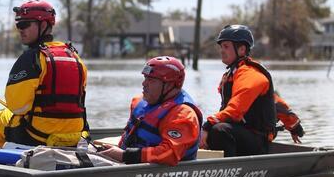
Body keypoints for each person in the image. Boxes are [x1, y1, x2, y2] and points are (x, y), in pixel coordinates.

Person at [0, 0, 88, 148]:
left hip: (37, 135)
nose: (20, 29)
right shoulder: (75, 57)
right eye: (18, 25)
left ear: (43, 25)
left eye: (25, 24)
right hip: (75, 134)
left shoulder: (32, 58)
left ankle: (1, 155)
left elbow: (17, 107)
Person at [99, 56, 202, 166]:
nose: (144, 84)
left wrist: (125, 155)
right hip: (130, 162)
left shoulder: (183, 115)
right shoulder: (138, 102)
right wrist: (116, 151)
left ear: (170, 85)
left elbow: (169, 154)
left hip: (155, 170)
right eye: (145, 78)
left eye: (151, 80)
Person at [199, 24, 277, 157]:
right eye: (221, 47)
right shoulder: (231, 74)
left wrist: (207, 126)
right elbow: (276, 103)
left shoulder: (250, 74)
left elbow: (235, 110)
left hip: (258, 141)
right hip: (241, 135)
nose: (222, 51)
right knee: (206, 128)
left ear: (241, 49)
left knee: (219, 130)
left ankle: (228, 169)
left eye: (226, 47)